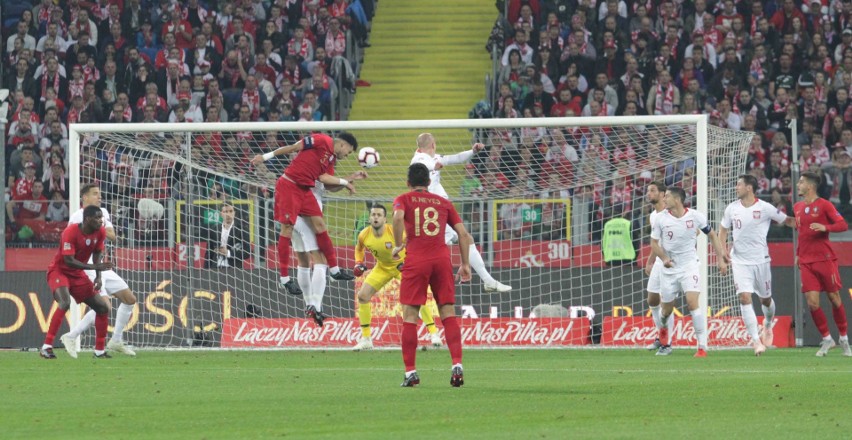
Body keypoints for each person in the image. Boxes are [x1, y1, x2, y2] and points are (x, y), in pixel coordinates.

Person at [250, 132, 361, 295]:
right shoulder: (322, 140)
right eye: (349, 152)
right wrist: (265, 157)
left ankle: (335, 271)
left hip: (305, 190)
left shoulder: (331, 159)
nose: (347, 155)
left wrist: (347, 181)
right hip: (289, 185)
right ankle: (284, 280)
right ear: (344, 145)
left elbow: (325, 180)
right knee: (287, 229)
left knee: (320, 225)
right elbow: (294, 147)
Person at [392, 163, 472, 387]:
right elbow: (463, 235)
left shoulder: (404, 198)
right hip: (441, 261)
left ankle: (411, 373)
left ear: (408, 183)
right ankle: (457, 365)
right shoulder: (443, 202)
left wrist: (398, 245)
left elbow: (398, 218)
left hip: (416, 260)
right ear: (429, 183)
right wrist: (465, 264)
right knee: (448, 313)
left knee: (410, 316)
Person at [411, 133, 511, 292]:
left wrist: (472, 152)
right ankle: (413, 273)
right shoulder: (420, 159)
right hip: (433, 213)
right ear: (433, 144)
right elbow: (422, 166)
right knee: (454, 242)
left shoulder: (432, 157)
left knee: (465, 238)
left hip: (440, 211)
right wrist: (434, 166)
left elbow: (455, 158)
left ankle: (487, 280)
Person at [60, 183, 138, 357]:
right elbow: (70, 239)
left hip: (100, 265)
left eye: (100, 194)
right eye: (95, 194)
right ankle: (71, 336)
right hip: (86, 267)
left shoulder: (103, 213)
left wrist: (96, 225)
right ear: (84, 197)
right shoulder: (77, 216)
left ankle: (116, 340)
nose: (99, 197)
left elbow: (112, 235)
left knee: (130, 299)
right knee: (104, 306)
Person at [650, 187, 729, 358]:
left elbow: (713, 235)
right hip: (669, 269)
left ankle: (702, 347)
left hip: (689, 266)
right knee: (665, 311)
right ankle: (663, 329)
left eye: (668, 196)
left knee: (692, 302)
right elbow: (654, 243)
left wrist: (720, 258)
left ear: (677, 200)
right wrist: (663, 258)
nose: (664, 199)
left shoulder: (695, 216)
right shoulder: (660, 219)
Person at [352, 204, 443, 351]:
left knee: (417, 297)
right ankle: (366, 339)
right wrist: (359, 263)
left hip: (403, 267)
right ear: (369, 218)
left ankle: (433, 333)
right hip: (382, 267)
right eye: (373, 215)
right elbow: (359, 249)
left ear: (384, 218)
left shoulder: (394, 231)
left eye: (378, 215)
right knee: (362, 296)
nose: (375, 217)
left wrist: (408, 261)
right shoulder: (364, 234)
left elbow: (414, 243)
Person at [719, 175, 790, 356]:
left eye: (739, 184)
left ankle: (767, 324)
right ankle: (756, 341)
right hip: (740, 261)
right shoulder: (732, 208)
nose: (736, 187)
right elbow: (723, 229)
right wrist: (722, 254)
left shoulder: (765, 208)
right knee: (744, 297)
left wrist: (806, 224)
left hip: (761, 260)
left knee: (765, 300)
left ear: (749, 188)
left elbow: (786, 220)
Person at [293, 170, 366, 327]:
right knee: (321, 259)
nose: (345, 155)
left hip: (293, 212)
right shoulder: (320, 157)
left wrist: (349, 178)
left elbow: (327, 185)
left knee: (303, 260)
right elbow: (322, 177)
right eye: (346, 151)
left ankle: (309, 304)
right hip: (307, 213)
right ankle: (316, 306)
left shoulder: (308, 162)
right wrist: (346, 182)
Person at [788, 172, 851, 357]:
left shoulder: (825, 205)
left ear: (810, 186)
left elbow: (843, 224)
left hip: (824, 259)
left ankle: (844, 338)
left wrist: (826, 227)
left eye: (801, 182)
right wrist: (798, 253)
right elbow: (802, 232)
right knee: (812, 303)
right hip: (806, 262)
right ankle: (827, 338)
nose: (798, 185)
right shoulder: (797, 207)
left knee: (834, 298)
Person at [41, 206, 113, 359]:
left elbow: (97, 254)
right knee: (65, 302)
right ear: (87, 219)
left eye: (101, 217)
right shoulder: (71, 232)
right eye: (97, 218)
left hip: (77, 274)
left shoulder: (100, 232)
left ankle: (99, 351)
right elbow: (68, 260)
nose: (101, 220)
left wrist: (98, 276)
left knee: (102, 307)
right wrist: (93, 267)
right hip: (59, 271)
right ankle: (46, 347)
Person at [644, 182, 675, 354]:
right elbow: (656, 243)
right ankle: (660, 335)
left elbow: (694, 231)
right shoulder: (653, 216)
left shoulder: (671, 213)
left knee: (666, 302)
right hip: (658, 261)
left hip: (671, 262)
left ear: (663, 194)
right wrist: (650, 260)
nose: (649, 193)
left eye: (653, 190)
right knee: (652, 300)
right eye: (648, 191)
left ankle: (666, 342)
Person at [204, 202, 250, 268]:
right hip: (216, 269)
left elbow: (247, 253)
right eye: (225, 211)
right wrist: (205, 271)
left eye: (231, 211)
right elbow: (209, 253)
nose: (228, 214)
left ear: (234, 213)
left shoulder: (242, 230)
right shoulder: (214, 229)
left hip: (234, 270)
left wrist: (228, 252)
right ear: (221, 214)